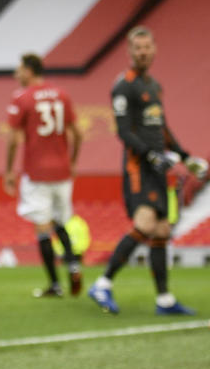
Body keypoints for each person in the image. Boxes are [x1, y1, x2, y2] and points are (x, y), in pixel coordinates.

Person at [88, 27, 208, 315]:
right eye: (137, 48)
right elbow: (123, 131)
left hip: (157, 168)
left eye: (146, 47)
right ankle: (102, 284)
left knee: (163, 231)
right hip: (138, 168)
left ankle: (164, 300)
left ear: (154, 49)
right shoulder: (124, 85)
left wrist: (184, 156)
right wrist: (152, 156)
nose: (142, 52)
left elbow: (162, 128)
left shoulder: (153, 86)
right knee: (145, 225)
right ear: (130, 52)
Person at [4, 53, 83, 298]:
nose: (16, 75)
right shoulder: (62, 94)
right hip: (62, 171)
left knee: (42, 227)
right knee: (60, 222)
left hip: (37, 172)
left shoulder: (22, 98)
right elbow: (78, 134)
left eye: (19, 70)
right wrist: (71, 162)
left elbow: (13, 139)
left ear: (29, 71)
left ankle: (55, 285)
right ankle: (73, 265)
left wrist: (8, 171)